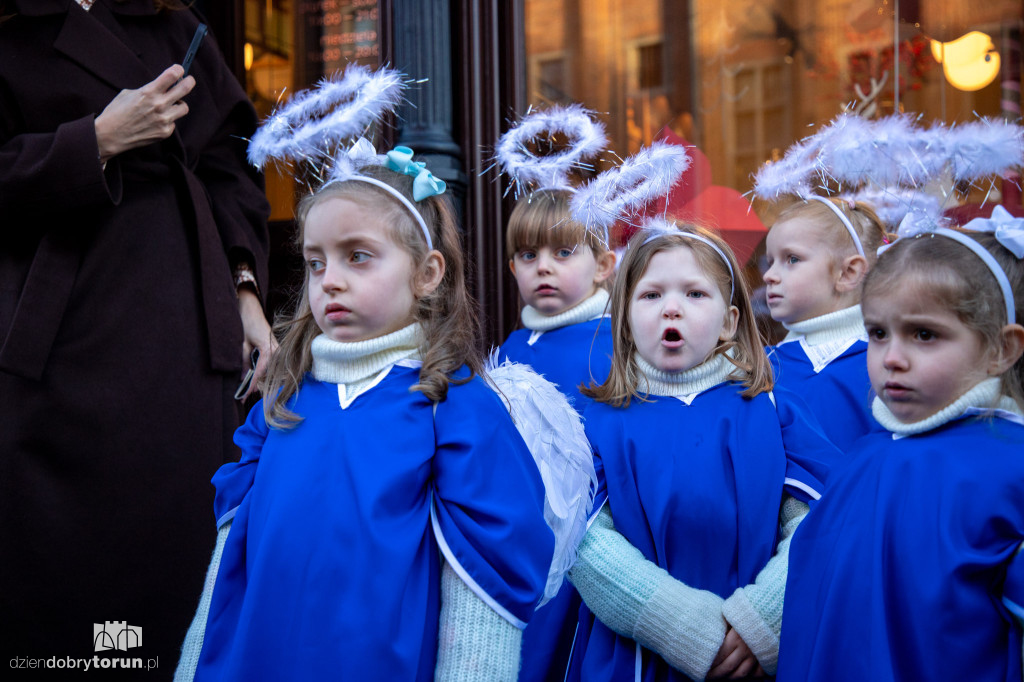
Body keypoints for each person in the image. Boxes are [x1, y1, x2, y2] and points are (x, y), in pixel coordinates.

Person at [174, 161, 555, 681]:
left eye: (358, 257)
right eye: (314, 263)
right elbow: (228, 557)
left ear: (428, 273)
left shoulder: (452, 403)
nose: (329, 280)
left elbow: (485, 576)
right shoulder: (283, 397)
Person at [0, 0, 273, 673]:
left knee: (176, 558)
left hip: (182, 315)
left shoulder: (177, 27)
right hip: (54, 334)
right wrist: (93, 142)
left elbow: (231, 171)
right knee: (57, 573)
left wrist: (243, 290)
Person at [565, 222, 838, 681]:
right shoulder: (595, 422)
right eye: (651, 296)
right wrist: (682, 626)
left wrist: (759, 623)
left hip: (752, 660)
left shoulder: (774, 410)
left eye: (695, 294)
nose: (672, 308)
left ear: (730, 321)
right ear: (624, 319)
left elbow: (819, 521)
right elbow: (582, 541)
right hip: (632, 656)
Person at [777, 223, 1024, 681]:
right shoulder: (862, 457)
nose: (891, 357)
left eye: (924, 334)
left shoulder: (1012, 468)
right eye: (877, 333)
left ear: (1001, 348)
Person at [497, 190, 615, 681]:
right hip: (514, 536)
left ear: (604, 264)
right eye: (528, 255)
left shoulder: (614, 344)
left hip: (584, 545)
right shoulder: (511, 344)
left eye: (563, 252)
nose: (543, 267)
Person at [762, 196, 888, 450]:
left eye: (792, 259)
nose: (768, 275)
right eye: (770, 261)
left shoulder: (886, 360)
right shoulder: (762, 366)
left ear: (848, 272)